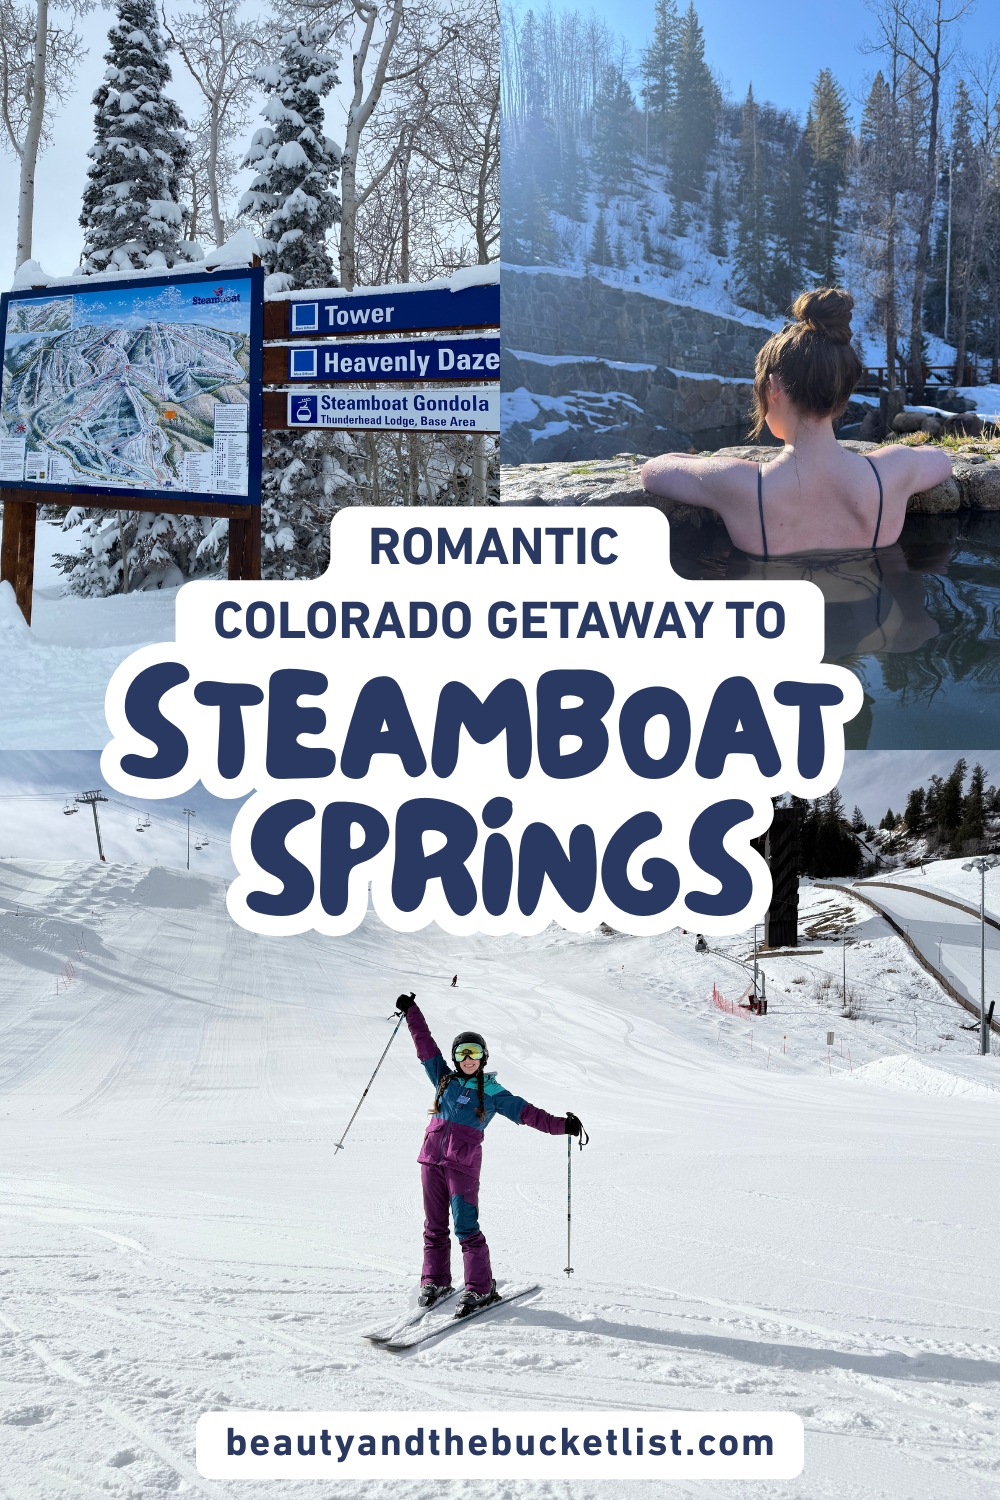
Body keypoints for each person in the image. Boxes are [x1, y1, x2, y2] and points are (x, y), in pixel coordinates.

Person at [640, 289, 952, 557]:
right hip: (881, 626)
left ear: (773, 387)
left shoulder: (739, 483)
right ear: (842, 390)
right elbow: (941, 461)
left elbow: (654, 470)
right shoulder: (892, 470)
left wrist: (716, 464)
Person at [394, 992, 583, 1319]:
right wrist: (411, 1011)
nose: (469, 1058)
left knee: (466, 1228)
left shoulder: (493, 1092)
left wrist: (562, 1125)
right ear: (455, 1057)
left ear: (484, 1057)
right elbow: (425, 1045)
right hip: (431, 1162)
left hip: (462, 1167)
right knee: (434, 1225)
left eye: (475, 1052)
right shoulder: (444, 1079)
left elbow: (529, 1114)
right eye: (463, 1052)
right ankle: (435, 1280)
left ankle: (480, 1287)